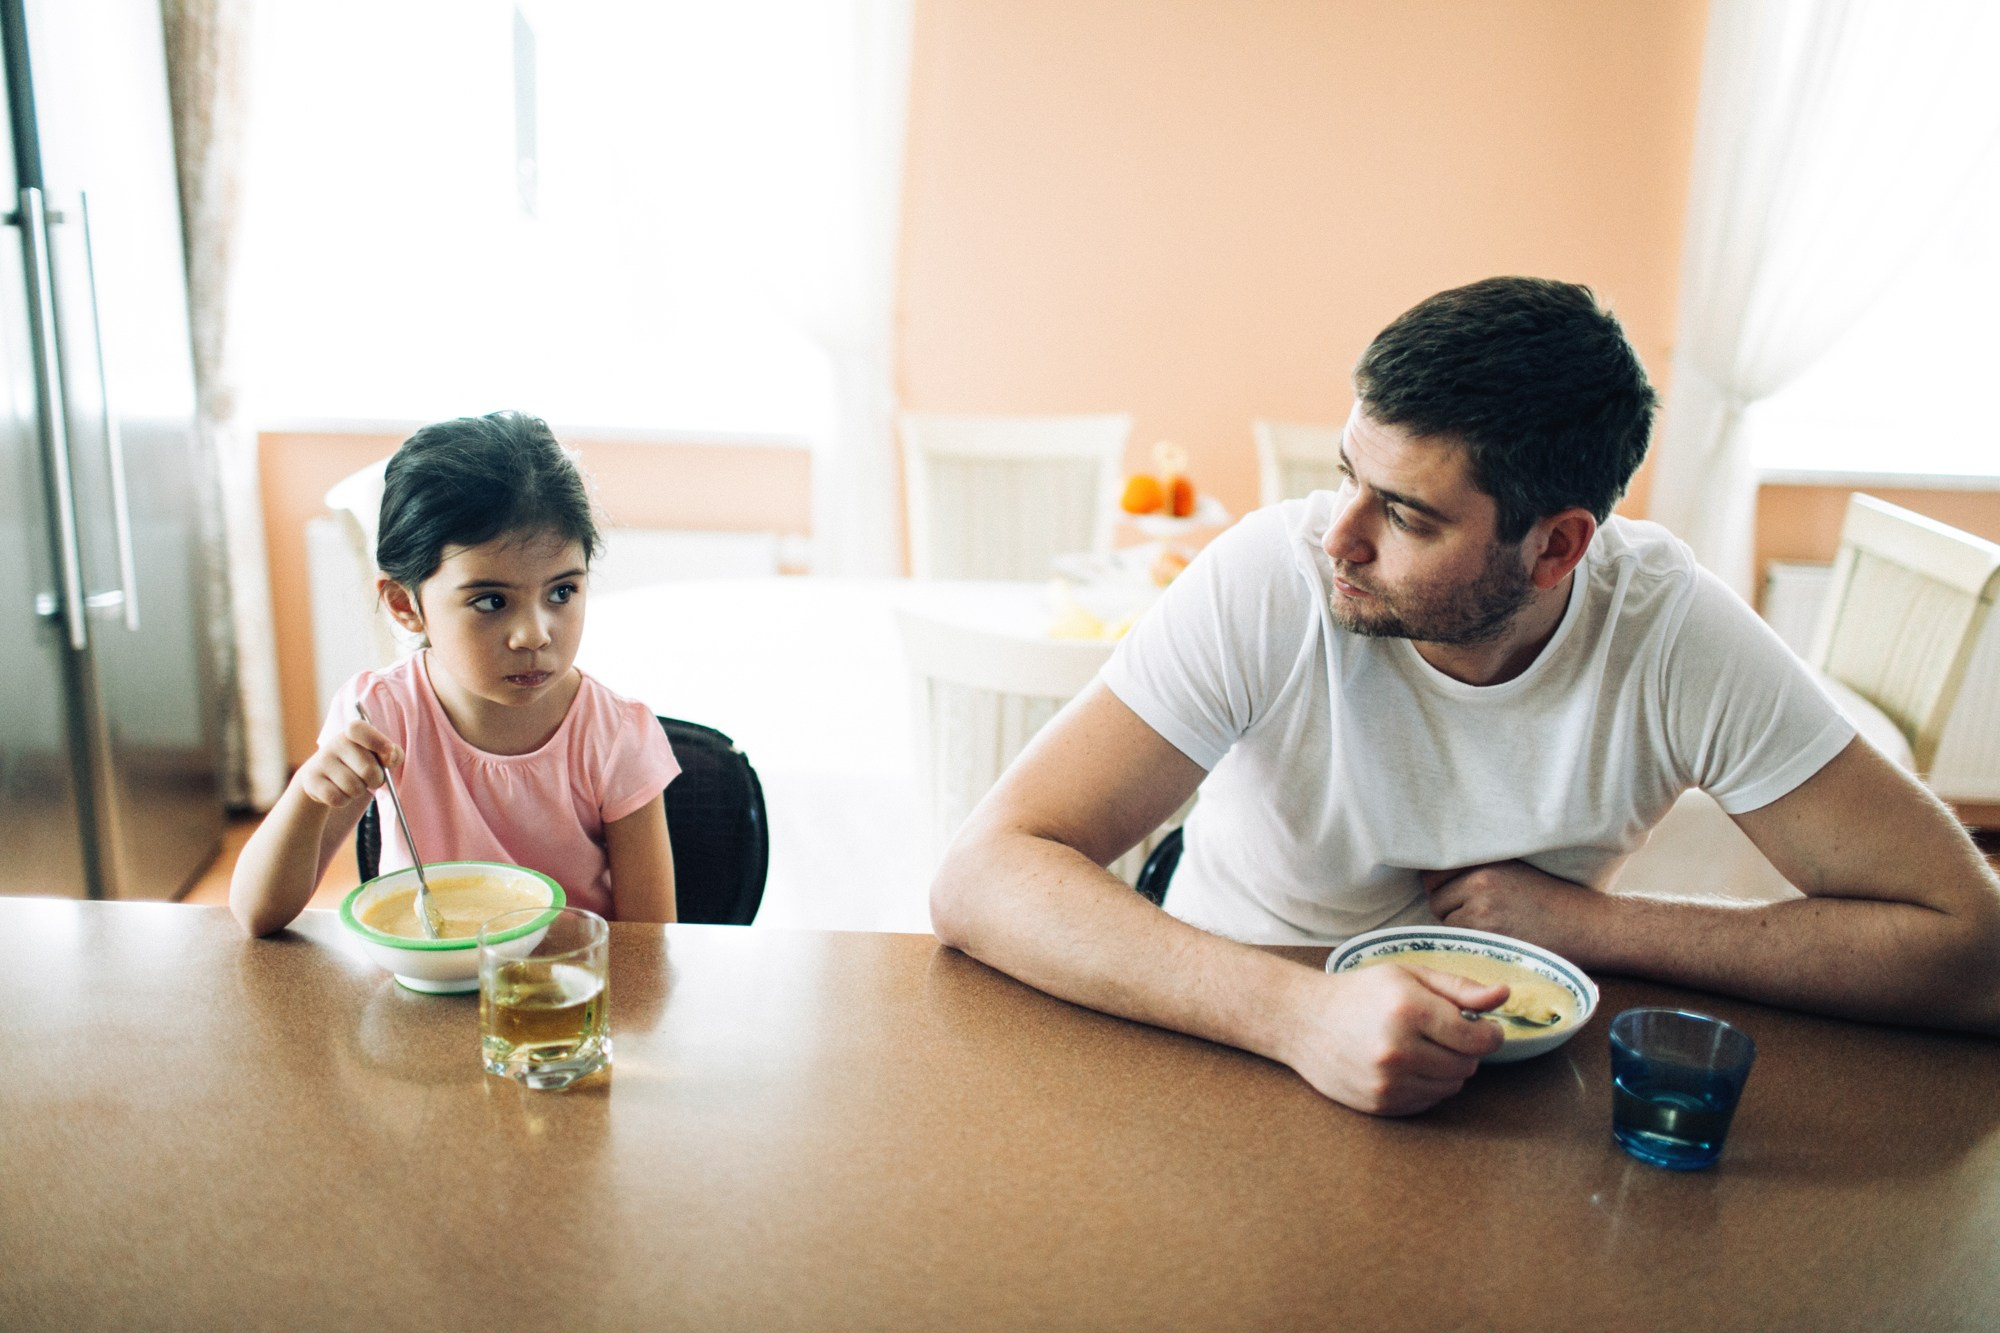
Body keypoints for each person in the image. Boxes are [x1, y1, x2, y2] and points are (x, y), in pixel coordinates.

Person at [930, 276, 2000, 1117]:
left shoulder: (1670, 630)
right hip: (1227, 1043)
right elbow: (983, 872)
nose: (1336, 536)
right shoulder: (1273, 573)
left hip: (1524, 1096)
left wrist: (1600, 924)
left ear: (1556, 546)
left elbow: (1969, 948)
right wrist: (1300, 1015)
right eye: (1346, 474)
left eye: (1402, 513)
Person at [231, 411, 679, 936]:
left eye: (562, 592)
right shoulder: (379, 715)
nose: (534, 635)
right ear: (405, 605)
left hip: (556, 1000)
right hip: (421, 1000)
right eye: (491, 601)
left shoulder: (615, 737)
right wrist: (308, 793)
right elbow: (258, 914)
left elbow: (649, 945)